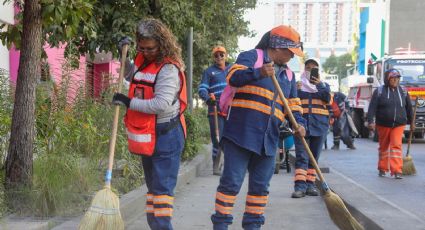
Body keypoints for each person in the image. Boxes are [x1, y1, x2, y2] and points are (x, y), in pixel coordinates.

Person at [211, 25, 306, 230]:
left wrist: (299, 123)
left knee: (260, 190)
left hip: (269, 141)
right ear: (277, 46)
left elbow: (293, 104)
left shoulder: (289, 76)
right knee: (230, 185)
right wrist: (259, 72)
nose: (292, 56)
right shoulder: (251, 57)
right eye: (290, 52)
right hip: (240, 135)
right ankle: (220, 226)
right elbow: (232, 77)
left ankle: (253, 226)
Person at [112, 18, 187, 230]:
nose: (146, 52)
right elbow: (131, 75)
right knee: (153, 191)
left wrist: (128, 102)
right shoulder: (142, 60)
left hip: (167, 135)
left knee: (162, 195)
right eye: (141, 48)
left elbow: (161, 104)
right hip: (150, 133)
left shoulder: (168, 69)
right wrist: (124, 56)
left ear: (161, 44)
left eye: (150, 48)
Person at [291, 58, 331, 198]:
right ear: (304, 69)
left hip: (319, 127)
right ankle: (300, 187)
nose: (310, 71)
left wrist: (319, 84)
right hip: (301, 126)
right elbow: (292, 103)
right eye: (308, 68)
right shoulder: (298, 86)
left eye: (313, 68)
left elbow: (327, 98)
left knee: (314, 158)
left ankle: (311, 185)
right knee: (301, 157)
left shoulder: (324, 86)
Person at [367, 68, 413, 179]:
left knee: (396, 145)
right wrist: (370, 121)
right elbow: (372, 108)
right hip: (383, 124)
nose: (395, 80)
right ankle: (382, 168)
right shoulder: (379, 91)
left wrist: (412, 122)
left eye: (397, 78)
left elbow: (409, 108)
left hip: (399, 124)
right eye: (393, 78)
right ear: (388, 79)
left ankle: (397, 170)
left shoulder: (403, 91)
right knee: (384, 147)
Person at [198, 46, 231, 175]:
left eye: (221, 55)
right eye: (216, 55)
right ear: (214, 58)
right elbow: (202, 89)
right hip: (215, 109)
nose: (219, 57)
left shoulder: (232, 69)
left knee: (232, 139)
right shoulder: (209, 72)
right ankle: (216, 165)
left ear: (226, 55)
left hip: (232, 109)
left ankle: (230, 166)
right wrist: (207, 99)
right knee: (218, 139)